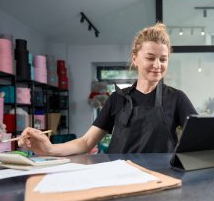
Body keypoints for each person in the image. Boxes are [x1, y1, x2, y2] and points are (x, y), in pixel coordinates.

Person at [18, 23, 197, 155]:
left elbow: (201, 138)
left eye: (163, 59)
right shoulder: (117, 99)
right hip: (119, 177)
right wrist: (49, 148)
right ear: (135, 59)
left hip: (162, 180)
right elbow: (86, 142)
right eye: (150, 58)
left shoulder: (177, 98)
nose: (157, 65)